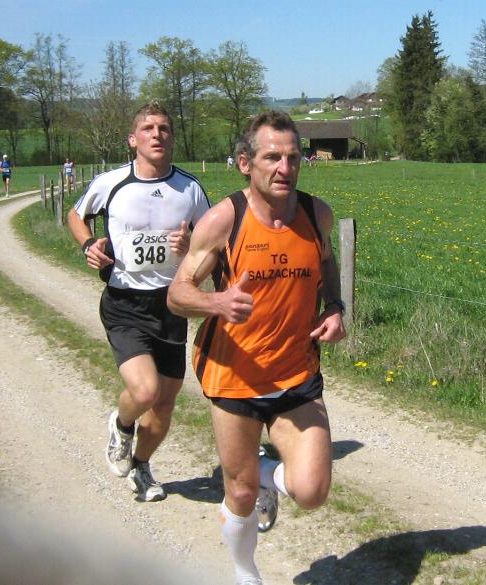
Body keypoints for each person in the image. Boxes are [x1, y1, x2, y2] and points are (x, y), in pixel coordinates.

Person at [167, 110, 346, 585]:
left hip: (296, 374)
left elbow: (327, 261)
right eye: (272, 158)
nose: (285, 168)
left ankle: (267, 473)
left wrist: (334, 307)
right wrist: (216, 301)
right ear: (246, 163)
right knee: (241, 494)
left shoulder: (316, 214)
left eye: (293, 158)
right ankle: (246, 574)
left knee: (312, 490)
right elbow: (177, 293)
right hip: (234, 376)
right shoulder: (224, 220)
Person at [67, 101, 211, 502]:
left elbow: (212, 241)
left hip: (171, 305)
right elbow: (76, 216)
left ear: (173, 138)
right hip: (124, 303)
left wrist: (192, 245)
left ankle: (142, 467)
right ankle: (122, 424)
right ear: (133, 139)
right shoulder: (111, 182)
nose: (156, 134)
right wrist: (88, 245)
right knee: (145, 391)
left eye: (164, 128)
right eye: (148, 128)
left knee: (164, 404)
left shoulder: (190, 189)